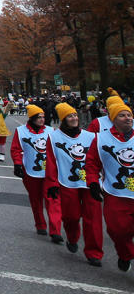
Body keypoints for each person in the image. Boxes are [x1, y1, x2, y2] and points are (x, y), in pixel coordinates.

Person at [46, 102, 104, 266]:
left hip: (90, 183)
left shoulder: (91, 136)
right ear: (64, 119)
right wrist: (52, 184)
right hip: (67, 183)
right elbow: (51, 162)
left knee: (93, 218)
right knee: (71, 217)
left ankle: (94, 253)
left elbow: (100, 160)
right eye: (70, 116)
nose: (74, 118)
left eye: (75, 115)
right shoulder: (54, 137)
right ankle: (72, 237)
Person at [85, 100, 134, 273]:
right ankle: (125, 254)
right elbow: (91, 164)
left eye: (129, 114)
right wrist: (92, 183)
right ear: (113, 119)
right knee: (117, 231)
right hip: (116, 194)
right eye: (122, 115)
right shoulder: (101, 139)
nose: (127, 118)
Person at [11, 104, 59, 239]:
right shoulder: (21, 131)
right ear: (32, 119)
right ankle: (40, 224)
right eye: (39, 117)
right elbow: (16, 149)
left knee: (52, 199)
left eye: (43, 117)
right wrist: (18, 164)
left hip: (49, 172)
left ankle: (55, 230)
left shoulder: (51, 131)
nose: (42, 120)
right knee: (35, 199)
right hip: (30, 172)